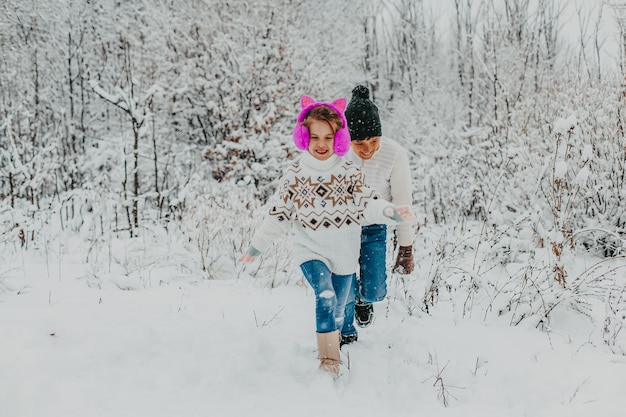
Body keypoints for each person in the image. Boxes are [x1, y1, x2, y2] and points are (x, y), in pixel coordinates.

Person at [238, 94, 417, 377]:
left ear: (338, 140)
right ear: (303, 137)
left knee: (346, 300)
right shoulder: (295, 175)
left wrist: (390, 212)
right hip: (311, 250)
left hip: (345, 252)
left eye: (328, 137)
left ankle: (346, 328)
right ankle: (329, 362)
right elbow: (279, 215)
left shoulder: (348, 173)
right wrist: (256, 247)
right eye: (314, 137)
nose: (321, 144)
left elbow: (367, 204)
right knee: (325, 295)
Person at [341, 85, 416, 346]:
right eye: (359, 143)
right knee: (345, 288)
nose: (367, 149)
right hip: (343, 230)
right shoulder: (338, 154)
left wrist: (406, 247)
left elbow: (402, 202)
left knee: (375, 290)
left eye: (373, 141)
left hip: (374, 228)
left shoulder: (394, 154)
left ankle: (365, 299)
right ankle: (345, 333)